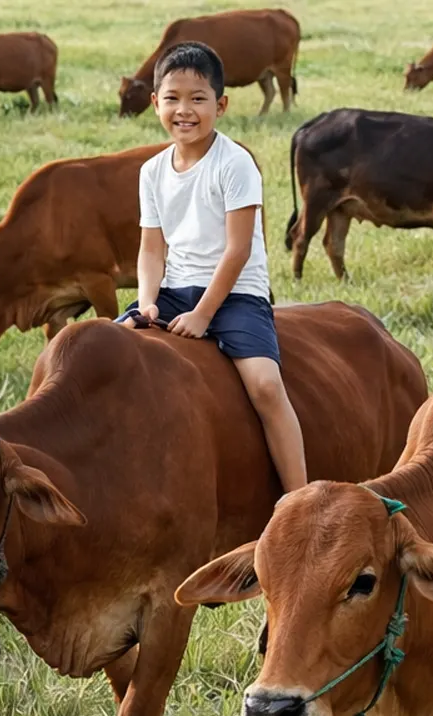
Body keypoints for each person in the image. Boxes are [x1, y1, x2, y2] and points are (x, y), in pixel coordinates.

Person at [118, 41, 306, 492]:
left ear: (220, 106)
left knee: (265, 386)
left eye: (198, 99)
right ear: (155, 103)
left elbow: (237, 250)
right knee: (105, 347)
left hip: (236, 295)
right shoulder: (152, 171)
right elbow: (151, 249)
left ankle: (300, 495)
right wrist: (146, 302)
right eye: (173, 98)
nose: (184, 110)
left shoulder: (235, 164)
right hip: (174, 290)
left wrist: (203, 314)